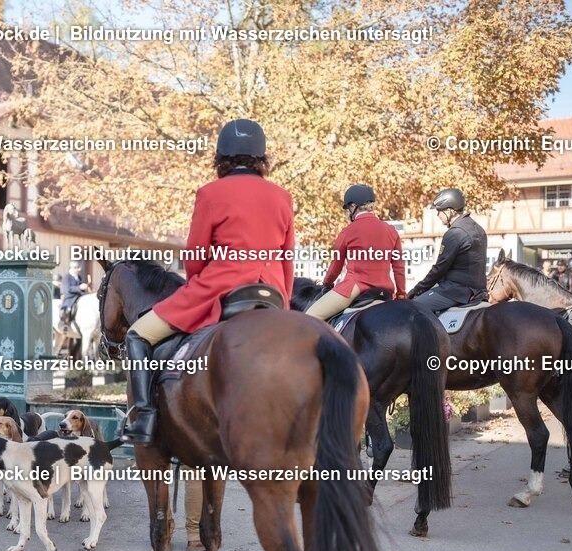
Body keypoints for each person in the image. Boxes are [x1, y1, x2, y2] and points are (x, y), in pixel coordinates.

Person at [121, 118, 295, 444]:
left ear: (222, 157)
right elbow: (287, 258)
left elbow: (196, 256)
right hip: (271, 293)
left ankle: (143, 417)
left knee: (137, 334)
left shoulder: (210, 193)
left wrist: (196, 286)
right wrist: (283, 302)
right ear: (261, 158)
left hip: (220, 287)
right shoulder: (282, 197)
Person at [305, 184, 406, 319]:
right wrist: (401, 294)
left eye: (348, 209)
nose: (348, 213)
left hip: (354, 288)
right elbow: (399, 267)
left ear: (353, 206)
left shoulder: (348, 232)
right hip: (385, 291)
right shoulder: (391, 231)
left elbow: (336, 266)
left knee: (310, 316)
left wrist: (327, 283)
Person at [408, 188, 488, 313]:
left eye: (439, 211)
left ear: (449, 211)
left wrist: (417, 290)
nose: (438, 215)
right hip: (480, 291)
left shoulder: (455, 233)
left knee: (412, 308)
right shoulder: (479, 229)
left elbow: (439, 269)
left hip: (456, 292)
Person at [59, 260, 88, 335]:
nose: (79, 269)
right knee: (68, 309)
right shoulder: (66, 277)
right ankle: (65, 325)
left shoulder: (79, 277)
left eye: (79, 267)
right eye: (76, 268)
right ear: (71, 268)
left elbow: (82, 289)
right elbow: (67, 289)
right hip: (70, 297)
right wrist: (79, 287)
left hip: (79, 296)